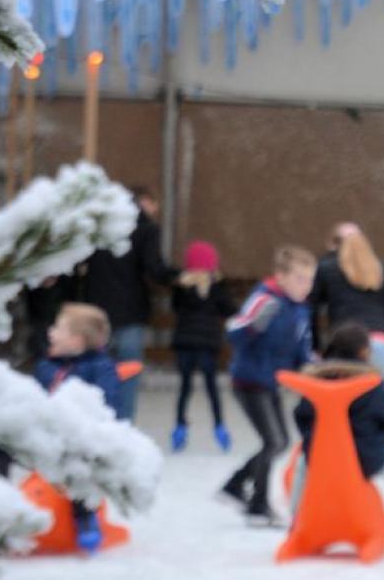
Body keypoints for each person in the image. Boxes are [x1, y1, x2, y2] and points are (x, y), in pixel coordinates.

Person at [291, 323, 384, 551]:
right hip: (366, 458)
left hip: (323, 458)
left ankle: (296, 524)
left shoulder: (316, 380)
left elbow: (301, 416)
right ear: (364, 352)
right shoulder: (371, 382)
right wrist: (377, 443)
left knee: (301, 465)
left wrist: (314, 441)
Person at [219, 246, 317, 527]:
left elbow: (303, 349)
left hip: (271, 382)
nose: (306, 286)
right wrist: (252, 327)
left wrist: (315, 367)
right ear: (281, 277)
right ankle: (258, 506)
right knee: (274, 441)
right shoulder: (265, 299)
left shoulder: (300, 310)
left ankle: (236, 485)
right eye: (300, 279)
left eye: (310, 280)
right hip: (249, 381)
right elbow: (235, 331)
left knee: (280, 441)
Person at [19, 302, 123, 552]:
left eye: (58, 328)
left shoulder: (99, 367)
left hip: (78, 437)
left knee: (78, 465)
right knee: (0, 452)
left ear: (76, 341)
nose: (50, 332)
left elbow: (107, 401)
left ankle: (85, 517)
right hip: (42, 435)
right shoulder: (46, 366)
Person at [74, 185, 174, 420]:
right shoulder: (146, 229)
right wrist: (180, 277)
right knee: (128, 372)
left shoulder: (97, 230)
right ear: (141, 203)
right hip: (130, 311)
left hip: (96, 312)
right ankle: (123, 424)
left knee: (95, 372)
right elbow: (155, 268)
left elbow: (77, 264)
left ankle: (95, 420)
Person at [311, 224, 384, 403]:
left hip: (347, 344)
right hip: (383, 341)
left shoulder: (326, 268)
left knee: (348, 405)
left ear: (333, 244)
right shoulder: (381, 269)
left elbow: (311, 309)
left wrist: (316, 346)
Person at [169, 240, 235, 453]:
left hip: (185, 343)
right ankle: (219, 427)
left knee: (185, 387)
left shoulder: (181, 287)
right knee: (211, 387)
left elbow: (176, 308)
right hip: (207, 344)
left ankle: (180, 427)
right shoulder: (217, 288)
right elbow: (230, 310)